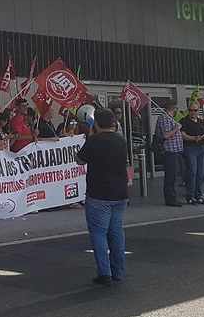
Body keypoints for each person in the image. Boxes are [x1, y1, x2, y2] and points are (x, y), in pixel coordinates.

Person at [76, 108, 129, 286]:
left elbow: (80, 160)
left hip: (99, 194)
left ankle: (104, 272)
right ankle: (119, 272)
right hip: (119, 193)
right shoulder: (121, 141)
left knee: (99, 234)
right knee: (116, 233)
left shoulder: (94, 141)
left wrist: (91, 135)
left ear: (96, 124)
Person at [180, 102, 204, 206]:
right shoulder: (184, 121)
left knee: (201, 173)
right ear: (188, 111)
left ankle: (199, 195)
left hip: (201, 149)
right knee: (192, 172)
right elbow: (182, 135)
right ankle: (190, 196)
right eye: (191, 110)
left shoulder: (201, 122)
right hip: (190, 148)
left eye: (195, 110)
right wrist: (193, 138)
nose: (193, 112)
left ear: (198, 111)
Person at [155, 100, 184, 207]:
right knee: (170, 177)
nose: (177, 111)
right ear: (173, 108)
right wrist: (176, 128)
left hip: (176, 151)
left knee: (174, 176)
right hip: (170, 151)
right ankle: (170, 199)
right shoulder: (164, 118)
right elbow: (166, 135)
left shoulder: (171, 118)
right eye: (176, 109)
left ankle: (173, 197)